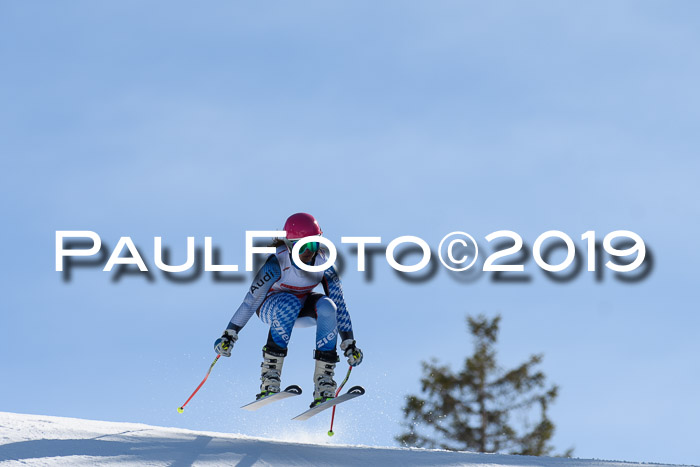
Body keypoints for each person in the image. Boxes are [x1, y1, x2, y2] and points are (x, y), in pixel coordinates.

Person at [214, 213, 363, 407]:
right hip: (272, 306)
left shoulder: (323, 264)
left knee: (328, 306)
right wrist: (229, 334)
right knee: (289, 302)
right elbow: (250, 302)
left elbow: (340, 304)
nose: (308, 252)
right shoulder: (276, 264)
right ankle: (270, 377)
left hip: (303, 306)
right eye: (301, 247)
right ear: (289, 245)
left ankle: (324, 382)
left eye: (313, 245)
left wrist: (349, 343)